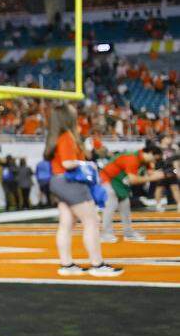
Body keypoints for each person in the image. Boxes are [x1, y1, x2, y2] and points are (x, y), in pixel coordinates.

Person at [45, 104, 121, 277]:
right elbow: (68, 164)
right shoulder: (66, 137)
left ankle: (67, 264)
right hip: (69, 180)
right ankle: (97, 264)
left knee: (67, 224)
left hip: (58, 180)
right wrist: (87, 164)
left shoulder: (57, 136)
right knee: (92, 221)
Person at [99, 145, 164, 243]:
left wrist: (161, 174)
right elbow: (133, 180)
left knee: (125, 207)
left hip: (119, 182)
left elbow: (151, 172)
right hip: (107, 178)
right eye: (154, 158)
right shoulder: (132, 158)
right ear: (150, 153)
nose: (154, 161)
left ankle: (128, 233)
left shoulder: (143, 159)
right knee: (111, 205)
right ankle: (105, 234)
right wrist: (152, 178)